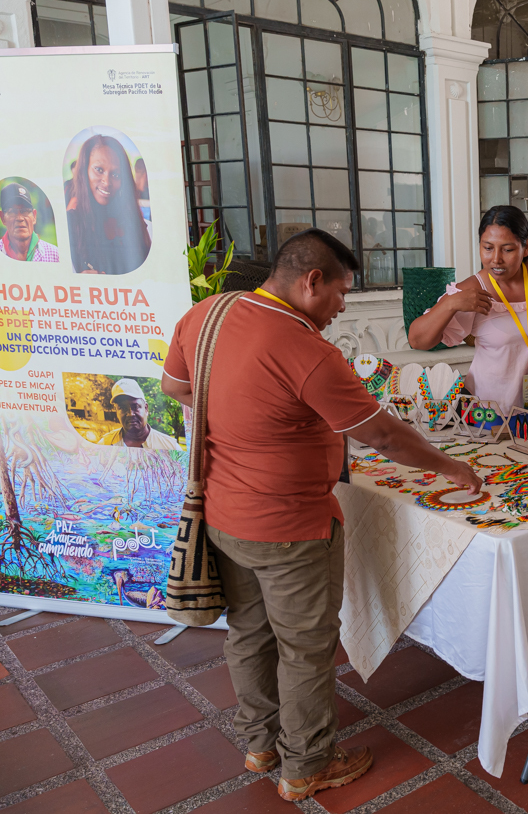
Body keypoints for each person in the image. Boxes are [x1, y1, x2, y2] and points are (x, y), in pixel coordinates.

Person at [161, 229, 481, 803]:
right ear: (311, 281)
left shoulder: (206, 314)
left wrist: (246, 429)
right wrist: (452, 469)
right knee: (305, 648)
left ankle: (260, 743)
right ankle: (307, 764)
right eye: (340, 294)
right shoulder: (305, 350)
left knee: (248, 633)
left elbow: (176, 388)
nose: (340, 309)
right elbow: (382, 434)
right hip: (289, 528)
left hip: (222, 514)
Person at [408, 206, 528, 410]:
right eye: (488, 248)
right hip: (493, 411)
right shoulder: (472, 289)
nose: (496, 259)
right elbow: (418, 340)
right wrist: (450, 303)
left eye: (507, 249)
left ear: (526, 247)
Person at [67, 135, 151, 274]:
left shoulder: (132, 219)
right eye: (99, 170)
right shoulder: (72, 221)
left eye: (116, 175)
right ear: (84, 170)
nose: (107, 182)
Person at [97, 379, 180, 449]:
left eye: (135, 406)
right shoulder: (105, 445)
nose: (130, 414)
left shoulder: (170, 447)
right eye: (122, 408)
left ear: (146, 408)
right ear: (116, 411)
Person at [1, 183, 58, 262]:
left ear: (34, 216)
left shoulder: (54, 255)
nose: (20, 218)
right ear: (3, 218)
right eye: (12, 211)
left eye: (25, 211)